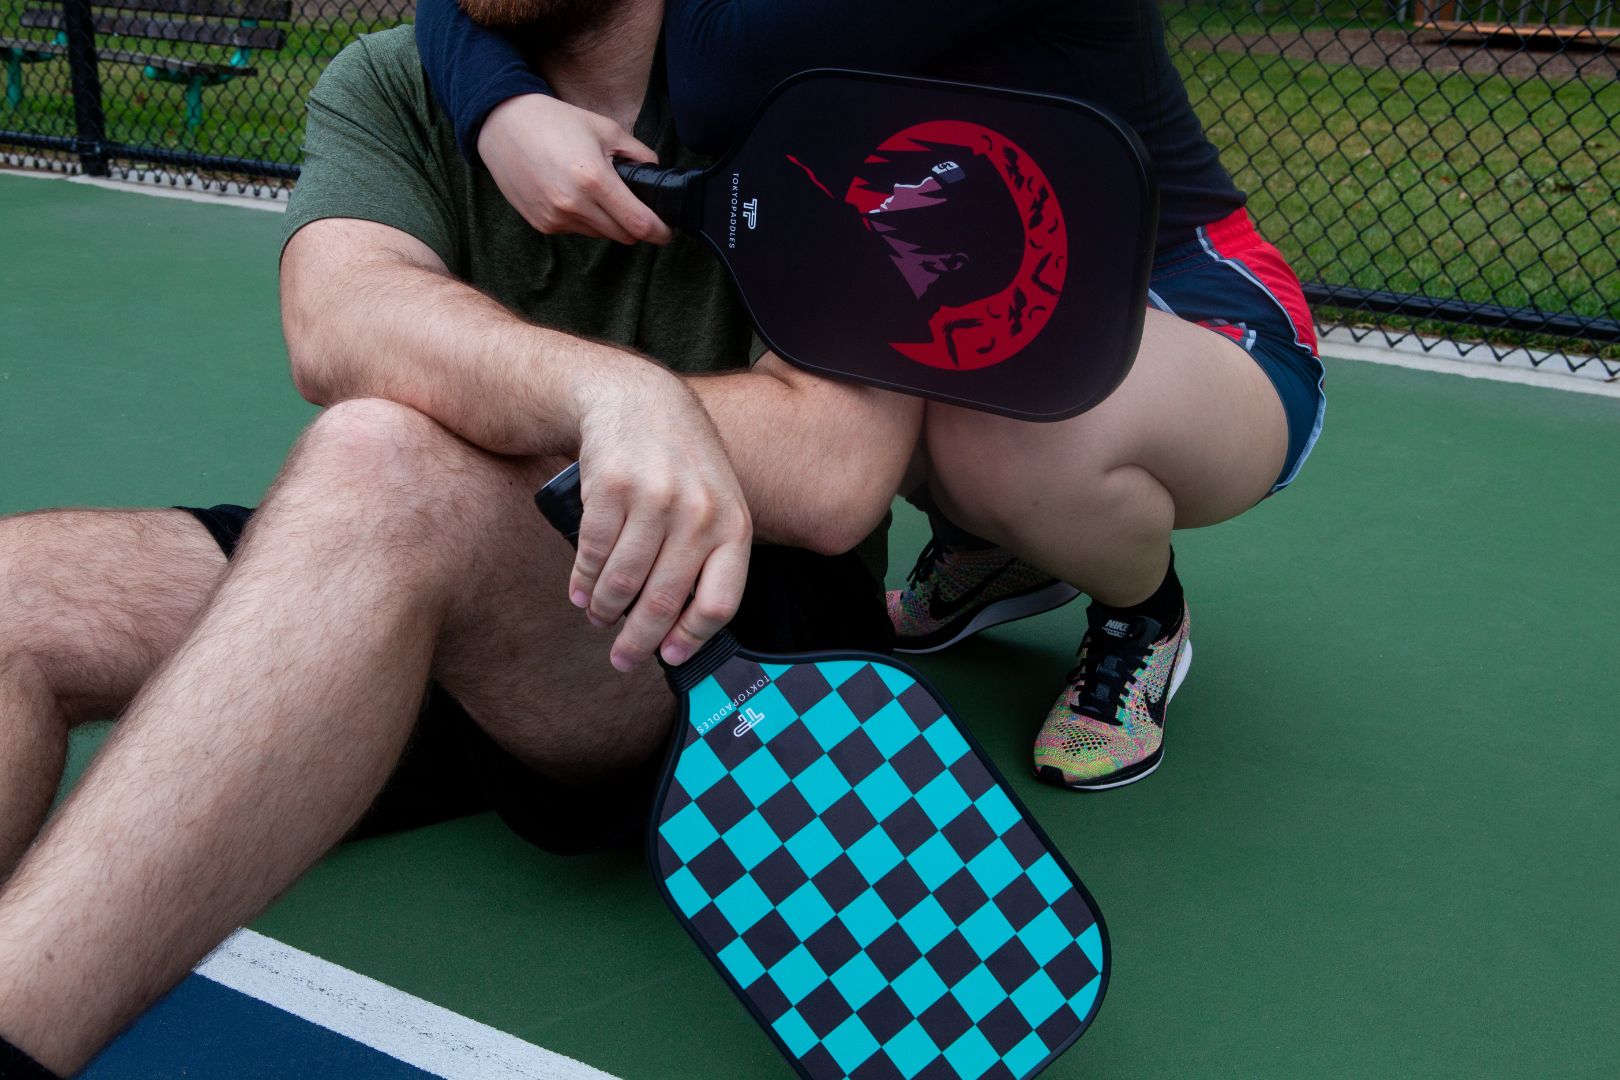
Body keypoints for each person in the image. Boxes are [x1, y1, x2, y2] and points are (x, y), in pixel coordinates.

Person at [0, 0, 917, 1074]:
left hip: (718, 639)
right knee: (20, 586)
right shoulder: (394, 81)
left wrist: (613, 417)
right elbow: (338, 315)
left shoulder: (843, 89)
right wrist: (603, 394)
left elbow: (837, 467)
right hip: (439, 565)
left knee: (386, 462)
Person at [413, 0, 1328, 790]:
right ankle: (999, 550)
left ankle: (1143, 611)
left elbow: (717, 79)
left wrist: (493, 93)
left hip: (1184, 304)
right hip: (992, 294)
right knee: (875, 345)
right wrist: (503, 106)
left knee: (998, 425)